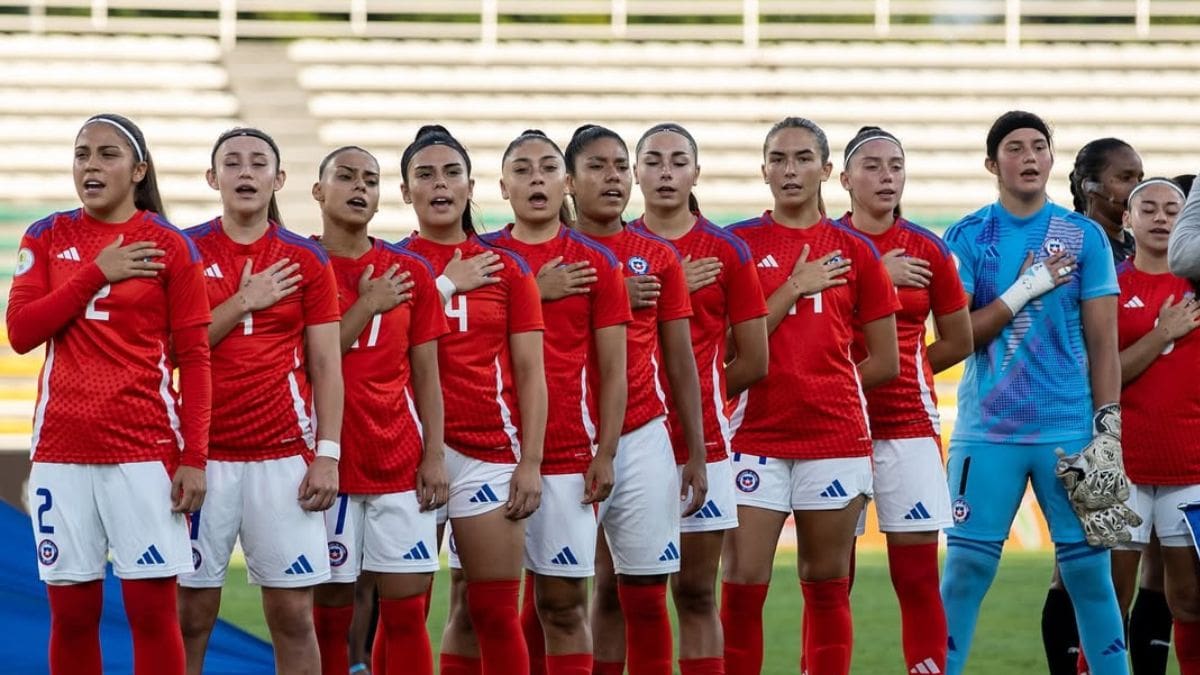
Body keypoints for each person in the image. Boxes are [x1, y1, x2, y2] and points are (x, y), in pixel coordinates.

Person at [10, 113, 210, 675]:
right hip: (61, 453)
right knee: (72, 617)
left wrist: (194, 458)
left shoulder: (170, 246)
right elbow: (23, 332)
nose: (91, 166)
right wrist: (96, 272)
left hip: (144, 453)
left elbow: (195, 360)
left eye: (106, 155)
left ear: (138, 170)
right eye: (82, 155)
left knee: (152, 615)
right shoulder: (46, 236)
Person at [939, 110, 1129, 675]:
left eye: (1038, 147)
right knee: (966, 570)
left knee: (1091, 573)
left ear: (1051, 159)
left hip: (1070, 433)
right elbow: (957, 339)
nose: (1028, 156)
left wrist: (1108, 430)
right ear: (992, 163)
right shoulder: (968, 235)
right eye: (1015, 147)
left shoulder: (1085, 236)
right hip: (989, 432)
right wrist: (1026, 286)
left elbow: (1103, 345)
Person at [721, 116, 900, 675]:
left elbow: (887, 360)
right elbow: (727, 348)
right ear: (764, 170)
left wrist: (826, 386)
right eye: (778, 158)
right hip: (755, 437)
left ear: (826, 170)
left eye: (802, 158)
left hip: (835, 439)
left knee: (826, 586)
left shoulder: (857, 251)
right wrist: (793, 288)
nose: (790, 169)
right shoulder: (740, 245)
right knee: (743, 585)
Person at [178, 127, 344, 675]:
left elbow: (325, 364)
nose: (245, 172)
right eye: (232, 163)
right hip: (203, 458)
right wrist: (244, 301)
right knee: (190, 614)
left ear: (279, 179)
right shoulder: (186, 251)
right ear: (213, 178)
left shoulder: (306, 259)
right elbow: (176, 352)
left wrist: (328, 453)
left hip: (282, 460)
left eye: (257, 163)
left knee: (294, 616)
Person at [479, 128, 631, 675]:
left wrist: (607, 451)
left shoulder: (596, 263)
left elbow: (615, 370)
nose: (535, 177)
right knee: (477, 609)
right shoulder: (485, 259)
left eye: (547, 168)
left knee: (563, 606)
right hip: (485, 453)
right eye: (522, 169)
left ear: (565, 182)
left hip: (569, 451)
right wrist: (531, 292)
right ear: (502, 186)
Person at [397, 125, 547, 675]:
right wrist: (444, 284)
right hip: (406, 454)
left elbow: (531, 373)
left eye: (451, 172)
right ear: (406, 191)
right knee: (404, 611)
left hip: (488, 451)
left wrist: (530, 462)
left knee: (493, 610)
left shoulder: (508, 268)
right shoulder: (391, 266)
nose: (439, 184)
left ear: (469, 186)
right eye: (425, 174)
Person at [564, 123, 708, 675]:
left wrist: (693, 452)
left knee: (646, 592)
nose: (613, 178)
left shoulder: (658, 258)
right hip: (563, 441)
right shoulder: (543, 258)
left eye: (621, 166)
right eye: (597, 167)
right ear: (571, 182)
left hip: (643, 434)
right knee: (558, 596)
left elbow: (681, 364)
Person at [630, 122, 769, 675]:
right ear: (636, 171)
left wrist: (702, 397)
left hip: (703, 443)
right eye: (654, 161)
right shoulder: (614, 249)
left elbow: (755, 360)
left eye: (677, 161)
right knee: (625, 595)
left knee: (694, 594)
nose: (666, 172)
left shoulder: (727, 250)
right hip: (625, 440)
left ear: (695, 172)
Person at [307, 145, 450, 675]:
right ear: (319, 191)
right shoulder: (300, 264)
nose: (358, 187)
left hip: (398, 463)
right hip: (329, 467)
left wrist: (434, 455)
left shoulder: (408, 270)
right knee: (330, 615)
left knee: (407, 613)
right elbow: (307, 363)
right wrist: (367, 304)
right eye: (345, 177)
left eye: (369, 179)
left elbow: (427, 375)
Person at [836, 125, 972, 675]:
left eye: (895, 165)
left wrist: (910, 367)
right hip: (834, 427)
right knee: (830, 577)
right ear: (843, 178)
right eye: (871, 165)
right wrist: (874, 276)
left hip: (908, 426)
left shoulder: (929, 249)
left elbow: (959, 340)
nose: (886, 175)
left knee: (915, 577)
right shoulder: (822, 246)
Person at [1110, 177, 1200, 675]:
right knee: (1110, 599)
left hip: (1190, 465)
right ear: (1128, 219)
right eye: (1149, 208)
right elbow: (1099, 377)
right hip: (1121, 468)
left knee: (1188, 600)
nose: (1162, 217)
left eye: (1173, 208)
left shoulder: (1198, 285)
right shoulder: (1108, 286)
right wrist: (1162, 333)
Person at [1068, 138, 1144, 264]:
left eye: (1140, 179)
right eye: (1126, 178)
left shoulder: (1138, 247)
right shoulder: (1075, 247)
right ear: (1090, 187)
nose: (1138, 188)